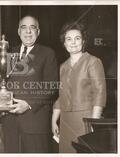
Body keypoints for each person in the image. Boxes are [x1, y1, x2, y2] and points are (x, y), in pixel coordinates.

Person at [2, 15, 58, 153]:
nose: (28, 31)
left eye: (32, 28)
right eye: (24, 28)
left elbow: (51, 87)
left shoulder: (48, 53)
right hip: (10, 125)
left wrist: (28, 104)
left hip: (35, 124)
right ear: (18, 31)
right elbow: (3, 82)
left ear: (38, 32)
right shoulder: (9, 54)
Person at [52, 21, 106, 153]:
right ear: (64, 43)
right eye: (68, 39)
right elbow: (61, 95)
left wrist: (93, 122)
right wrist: (54, 121)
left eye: (77, 38)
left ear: (83, 41)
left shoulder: (93, 62)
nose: (73, 42)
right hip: (65, 120)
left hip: (85, 119)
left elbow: (100, 93)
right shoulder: (62, 67)